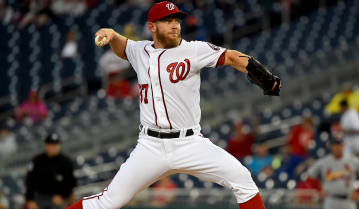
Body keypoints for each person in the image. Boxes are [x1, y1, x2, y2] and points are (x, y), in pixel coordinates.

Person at [68, 1, 281, 209]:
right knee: (109, 202)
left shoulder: (194, 50)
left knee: (242, 178)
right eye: (167, 21)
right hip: (150, 146)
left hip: (189, 143)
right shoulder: (140, 50)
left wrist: (264, 76)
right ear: (152, 27)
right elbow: (123, 47)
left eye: (177, 20)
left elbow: (233, 57)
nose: (174, 25)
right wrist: (113, 35)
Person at [306, 137, 359, 209]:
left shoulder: (353, 160)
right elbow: (309, 176)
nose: (337, 147)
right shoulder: (324, 161)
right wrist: (319, 189)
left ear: (343, 145)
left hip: (348, 200)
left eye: (339, 144)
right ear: (331, 146)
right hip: (330, 200)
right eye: (335, 145)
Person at [25, 134, 77, 209]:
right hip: (40, 197)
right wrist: (30, 199)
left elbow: (71, 182)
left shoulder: (66, 161)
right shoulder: (37, 161)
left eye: (56, 144)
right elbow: (29, 181)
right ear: (46, 145)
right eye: (51, 144)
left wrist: (63, 196)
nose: (54, 147)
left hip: (60, 198)